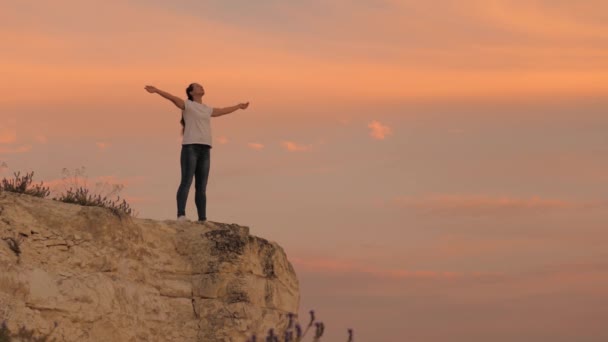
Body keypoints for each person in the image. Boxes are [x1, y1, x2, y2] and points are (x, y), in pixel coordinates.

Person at [144, 83, 249, 222]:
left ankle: (202, 219)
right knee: (186, 181)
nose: (201, 87)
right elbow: (172, 98)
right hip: (190, 147)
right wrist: (157, 90)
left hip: (205, 149)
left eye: (201, 86)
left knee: (201, 186)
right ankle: (181, 215)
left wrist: (238, 106)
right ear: (191, 92)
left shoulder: (206, 109)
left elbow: (223, 111)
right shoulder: (187, 105)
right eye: (198, 86)